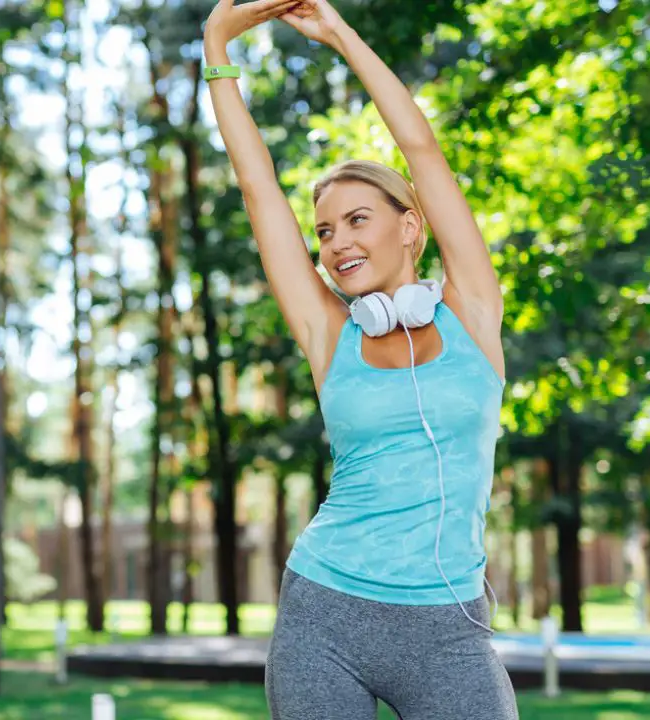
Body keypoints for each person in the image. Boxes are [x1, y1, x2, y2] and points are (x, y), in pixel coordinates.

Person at [202, 1, 519, 718]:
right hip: (325, 612)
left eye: (356, 220)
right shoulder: (328, 332)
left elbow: (424, 152)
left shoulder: (472, 310)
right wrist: (217, 44)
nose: (336, 242)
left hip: (449, 630)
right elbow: (258, 192)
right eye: (323, 230)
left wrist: (339, 34)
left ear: (411, 227)